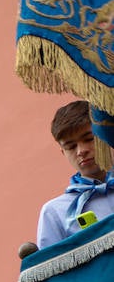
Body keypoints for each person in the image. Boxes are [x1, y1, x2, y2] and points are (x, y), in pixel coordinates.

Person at [36, 101, 114, 249]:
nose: (81, 151)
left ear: (104, 134)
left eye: (89, 139)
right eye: (71, 146)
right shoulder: (55, 212)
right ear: (63, 153)